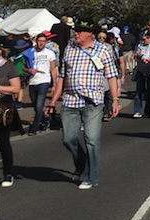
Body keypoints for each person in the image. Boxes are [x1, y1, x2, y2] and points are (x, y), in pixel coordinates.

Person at [45, 21, 121, 189]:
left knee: (92, 139)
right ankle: (82, 165)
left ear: (89, 33)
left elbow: (111, 76)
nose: (76, 34)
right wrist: (52, 101)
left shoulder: (102, 51)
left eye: (79, 31)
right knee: (68, 139)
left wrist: (115, 100)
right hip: (70, 101)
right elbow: (62, 77)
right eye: (75, 31)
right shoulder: (69, 49)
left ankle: (91, 177)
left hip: (92, 102)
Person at [0, 36, 23, 186]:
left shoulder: (9, 67)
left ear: (0, 50)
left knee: (3, 142)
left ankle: (8, 173)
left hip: (3, 108)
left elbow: (16, 88)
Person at [26, 32, 58, 134]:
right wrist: (28, 70)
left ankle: (34, 128)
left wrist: (54, 84)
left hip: (44, 81)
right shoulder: (30, 52)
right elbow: (22, 66)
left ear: (46, 42)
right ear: (36, 41)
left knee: (39, 105)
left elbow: (53, 69)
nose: (41, 43)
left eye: (43, 41)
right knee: (35, 105)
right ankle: (44, 120)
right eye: (39, 41)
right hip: (32, 81)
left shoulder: (50, 53)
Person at [132, 30, 150, 118]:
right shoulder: (140, 45)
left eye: (146, 38)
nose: (144, 40)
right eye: (143, 38)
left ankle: (149, 111)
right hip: (141, 70)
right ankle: (137, 111)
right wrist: (137, 55)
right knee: (138, 91)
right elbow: (136, 56)